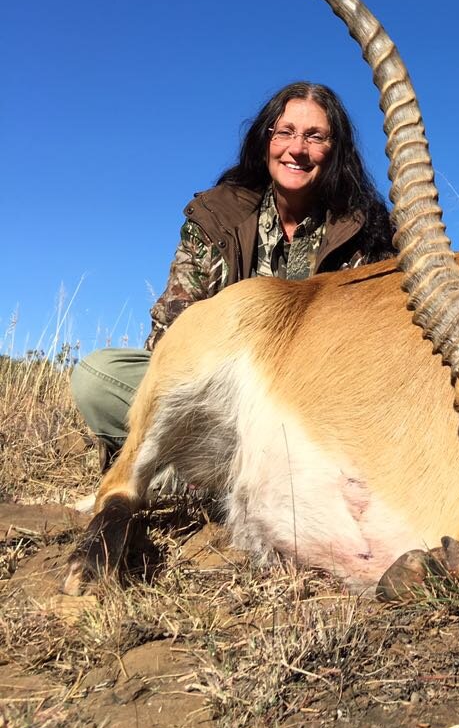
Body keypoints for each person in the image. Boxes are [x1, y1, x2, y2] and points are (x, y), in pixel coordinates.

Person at [72, 82, 393, 469]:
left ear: (335, 151)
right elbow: (169, 336)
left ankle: (183, 471)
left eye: (315, 137)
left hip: (316, 413)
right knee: (97, 377)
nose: (297, 149)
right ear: (266, 141)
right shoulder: (215, 217)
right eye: (286, 132)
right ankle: (225, 472)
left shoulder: (368, 235)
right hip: (220, 401)